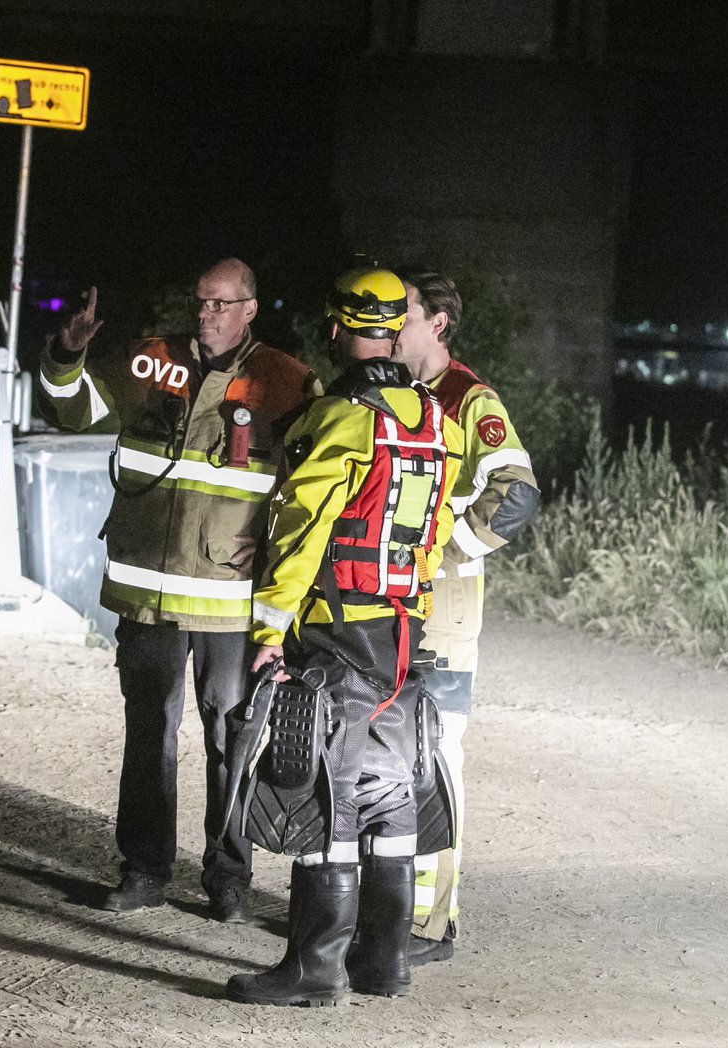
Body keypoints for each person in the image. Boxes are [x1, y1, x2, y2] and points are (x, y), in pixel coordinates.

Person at [38, 258, 322, 923]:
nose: (207, 315)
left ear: (250, 308)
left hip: (227, 600)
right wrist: (67, 352)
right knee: (148, 736)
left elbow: (312, 482)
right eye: (201, 302)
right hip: (150, 598)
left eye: (222, 304)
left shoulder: (285, 381)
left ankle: (228, 879)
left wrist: (276, 543)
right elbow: (73, 409)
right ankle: (143, 871)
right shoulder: (149, 361)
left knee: (231, 738)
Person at [224, 262, 462, 1006]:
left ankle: (314, 967)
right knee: (390, 789)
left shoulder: (341, 418)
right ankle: (383, 960)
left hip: (338, 632)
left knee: (330, 789)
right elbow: (437, 526)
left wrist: (269, 625)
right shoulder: (435, 421)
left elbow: (302, 530)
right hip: (401, 631)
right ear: (395, 329)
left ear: (335, 327)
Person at [392, 265, 539, 965]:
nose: (391, 324)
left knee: (435, 760)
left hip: (443, 611)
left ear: (437, 323)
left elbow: (516, 495)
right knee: (383, 757)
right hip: (386, 606)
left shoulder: (467, 398)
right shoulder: (388, 392)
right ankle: (383, 906)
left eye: (404, 312)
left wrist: (448, 551)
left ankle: (430, 922)